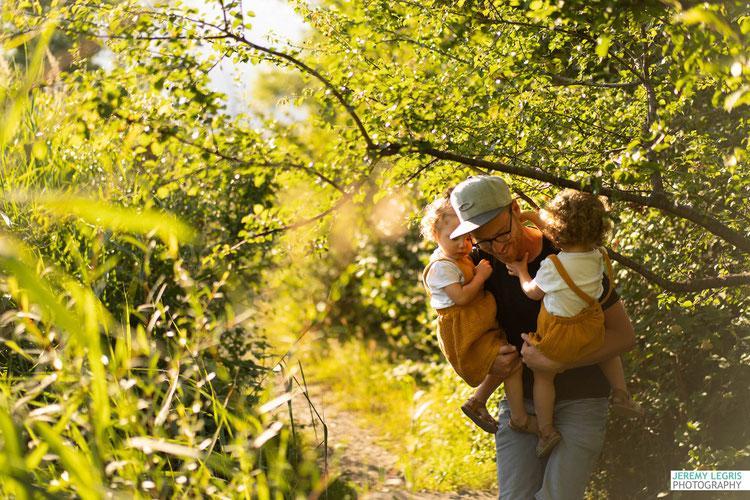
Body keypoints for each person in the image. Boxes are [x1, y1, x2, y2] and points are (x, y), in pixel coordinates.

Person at [448, 175, 637, 500]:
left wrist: (559, 360)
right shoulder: (481, 267)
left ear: (515, 210)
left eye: (502, 234)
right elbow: (462, 328)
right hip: (522, 403)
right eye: (485, 241)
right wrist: (489, 356)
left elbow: (622, 337)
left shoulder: (569, 251)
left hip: (583, 400)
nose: (499, 248)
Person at [505, 190, 643, 459]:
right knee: (607, 349)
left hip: (558, 336)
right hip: (589, 329)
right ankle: (621, 393)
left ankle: (546, 431)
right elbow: (573, 234)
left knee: (544, 378)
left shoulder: (553, 265)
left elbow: (532, 291)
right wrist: (534, 217)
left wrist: (522, 272)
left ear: (557, 231)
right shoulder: (597, 256)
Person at [419, 191, 536, 436]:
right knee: (511, 362)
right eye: (455, 238)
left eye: (468, 237)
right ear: (434, 236)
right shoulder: (441, 267)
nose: (464, 245)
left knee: (505, 358)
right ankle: (519, 417)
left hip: (476, 322)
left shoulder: (458, 257)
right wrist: (481, 276)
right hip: (464, 329)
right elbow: (461, 297)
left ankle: (476, 402)